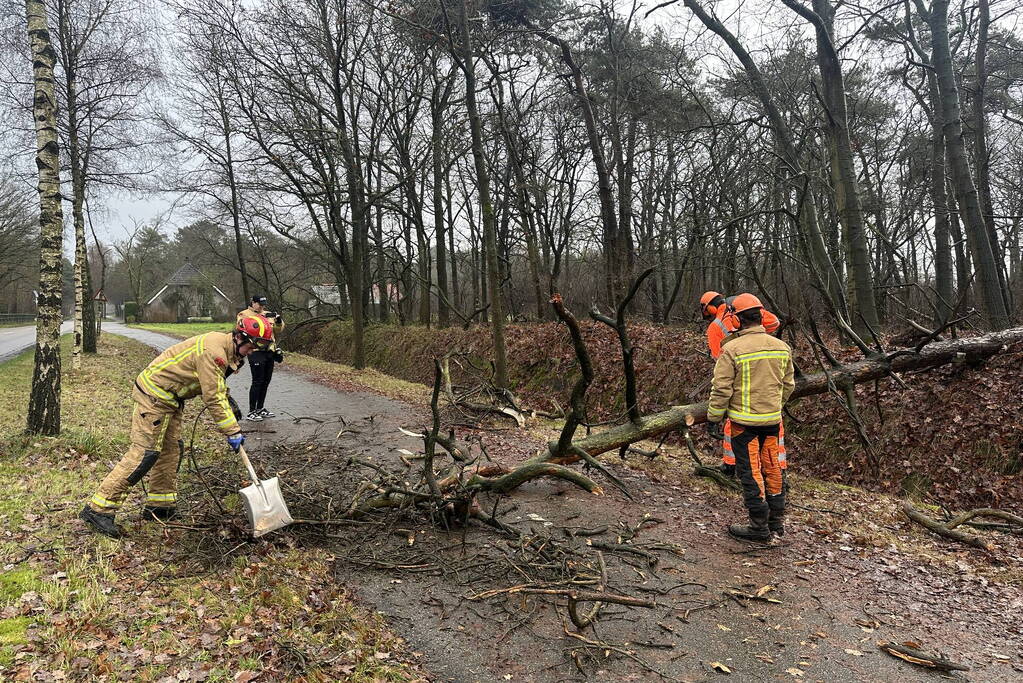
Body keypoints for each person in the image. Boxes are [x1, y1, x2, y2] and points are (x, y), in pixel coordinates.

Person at [79, 315, 274, 538]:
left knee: (171, 450)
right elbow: (212, 396)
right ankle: (98, 510)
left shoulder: (229, 350)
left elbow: (215, 384)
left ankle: (160, 506)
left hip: (170, 400)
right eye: (251, 346)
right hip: (154, 397)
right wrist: (232, 430)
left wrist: (227, 400)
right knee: (145, 453)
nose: (252, 352)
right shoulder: (215, 352)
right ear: (239, 337)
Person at [705, 294, 795, 541]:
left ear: (736, 319)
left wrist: (714, 417)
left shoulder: (731, 349)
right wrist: (774, 406)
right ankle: (776, 522)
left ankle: (758, 526)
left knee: (751, 473)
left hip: (744, 425)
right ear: (760, 316)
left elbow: (722, 388)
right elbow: (788, 385)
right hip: (772, 422)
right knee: (773, 469)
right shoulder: (781, 347)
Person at [699, 291, 787, 477]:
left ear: (711, 308)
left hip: (740, 376)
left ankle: (731, 465)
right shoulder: (743, 311)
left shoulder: (715, 327)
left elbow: (720, 359)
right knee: (773, 427)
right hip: (767, 374)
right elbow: (774, 322)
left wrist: (714, 415)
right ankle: (777, 472)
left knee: (736, 420)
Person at [237, 295, 286, 422]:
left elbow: (277, 330)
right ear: (253, 303)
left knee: (266, 381)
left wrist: (279, 321)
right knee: (257, 381)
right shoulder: (244, 314)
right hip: (255, 351)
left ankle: (260, 408)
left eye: (263, 304)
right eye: (259, 304)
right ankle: (251, 411)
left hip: (269, 350)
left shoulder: (268, 314)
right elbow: (242, 330)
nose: (262, 306)